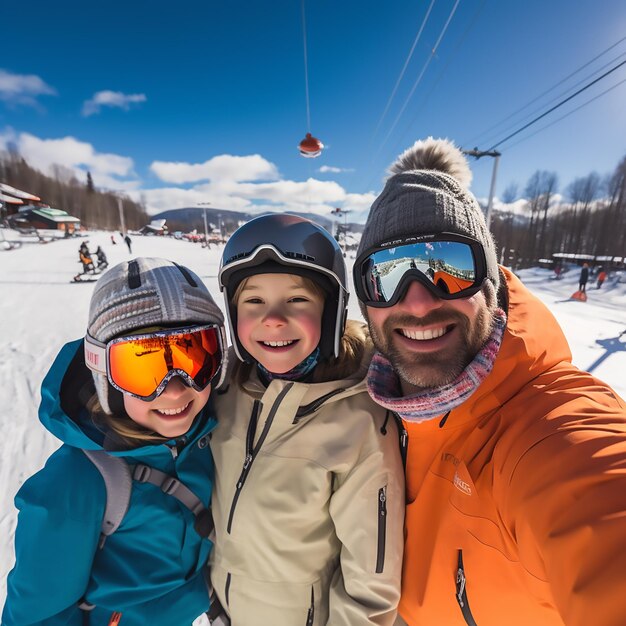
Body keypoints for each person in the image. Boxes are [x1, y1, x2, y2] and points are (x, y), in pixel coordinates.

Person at [352, 138, 626, 626]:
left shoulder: (546, 431)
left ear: (489, 286)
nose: (416, 302)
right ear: (367, 303)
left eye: (448, 269)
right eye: (386, 274)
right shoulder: (365, 405)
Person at [3, 257, 227, 626]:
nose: (173, 390)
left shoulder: (210, 437)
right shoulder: (76, 484)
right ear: (105, 377)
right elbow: (36, 614)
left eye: (193, 355)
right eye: (142, 366)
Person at [210, 214, 404, 624]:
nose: (273, 318)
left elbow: (371, 586)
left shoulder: (358, 422)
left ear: (331, 312)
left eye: (297, 300)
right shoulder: (225, 392)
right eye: (254, 301)